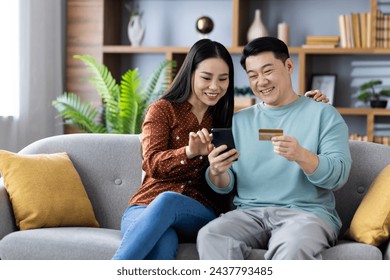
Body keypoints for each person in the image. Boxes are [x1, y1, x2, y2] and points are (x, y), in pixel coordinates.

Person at [112, 38, 329, 260]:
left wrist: (308, 102)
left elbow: (274, 108)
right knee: (164, 239)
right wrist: (188, 152)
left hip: (196, 209)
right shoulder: (163, 110)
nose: (215, 87)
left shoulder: (223, 118)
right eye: (206, 77)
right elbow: (151, 164)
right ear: (190, 74)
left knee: (169, 201)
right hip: (146, 205)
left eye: (223, 79)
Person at [196, 37, 352, 260]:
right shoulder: (238, 122)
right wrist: (217, 171)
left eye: (267, 71)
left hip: (306, 215)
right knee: (210, 235)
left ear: (289, 66)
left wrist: (302, 156)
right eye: (252, 75)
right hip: (248, 215)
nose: (261, 81)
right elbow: (224, 185)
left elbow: (338, 176)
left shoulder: (324, 114)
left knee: (293, 246)